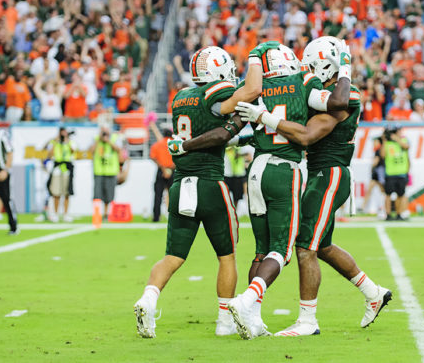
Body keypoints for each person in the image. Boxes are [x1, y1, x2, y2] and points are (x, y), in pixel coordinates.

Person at [169, 40, 354, 339]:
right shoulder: (303, 81)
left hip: (255, 170)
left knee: (260, 251)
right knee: (282, 250)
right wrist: (344, 67)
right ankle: (246, 301)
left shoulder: (255, 86)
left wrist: (193, 144)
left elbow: (233, 127)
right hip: (284, 170)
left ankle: (251, 317)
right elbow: (336, 103)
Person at [244, 36, 391, 337]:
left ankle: (308, 321)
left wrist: (266, 117)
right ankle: (373, 292)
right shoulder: (325, 92)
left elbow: (308, 135)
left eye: (310, 66)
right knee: (321, 246)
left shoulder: (345, 98)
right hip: (319, 175)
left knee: (304, 247)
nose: (305, 73)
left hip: (330, 174)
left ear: (325, 65)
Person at [133, 43, 267, 339]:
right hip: (210, 183)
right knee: (227, 256)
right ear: (217, 70)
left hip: (181, 184)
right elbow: (247, 94)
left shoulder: (181, 97)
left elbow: (206, 134)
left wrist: (236, 136)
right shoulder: (215, 93)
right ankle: (224, 322)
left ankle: (149, 298)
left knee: (173, 256)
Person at [380, 125, 410, 221]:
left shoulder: (404, 141)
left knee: (400, 195)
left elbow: (406, 146)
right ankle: (388, 214)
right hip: (390, 173)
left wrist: (396, 139)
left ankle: (399, 214)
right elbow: (382, 155)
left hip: (402, 173)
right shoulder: (387, 144)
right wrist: (384, 141)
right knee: (388, 194)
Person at [89, 127, 121, 217]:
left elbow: (119, 150)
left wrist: (108, 141)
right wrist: (99, 139)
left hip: (111, 171)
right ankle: (96, 213)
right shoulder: (96, 139)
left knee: (109, 195)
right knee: (97, 195)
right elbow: (90, 151)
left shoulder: (114, 138)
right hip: (99, 171)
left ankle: (106, 214)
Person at [46, 127, 76, 222]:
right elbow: (49, 154)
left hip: (67, 168)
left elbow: (73, 151)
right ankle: (55, 213)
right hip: (57, 168)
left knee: (67, 192)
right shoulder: (55, 142)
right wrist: (56, 142)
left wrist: (67, 141)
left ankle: (66, 214)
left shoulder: (70, 142)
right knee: (56, 192)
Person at [149, 126, 175, 222]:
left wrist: (163, 169)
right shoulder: (174, 144)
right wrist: (171, 167)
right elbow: (179, 158)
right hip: (172, 171)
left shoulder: (157, 144)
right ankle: (175, 217)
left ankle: (156, 217)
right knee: (174, 195)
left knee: (158, 195)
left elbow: (153, 157)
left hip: (161, 171)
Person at [361, 137, 385, 217]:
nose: (374, 143)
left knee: (380, 191)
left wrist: (372, 167)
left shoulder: (378, 151)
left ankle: (365, 207)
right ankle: (364, 207)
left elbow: (376, 162)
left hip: (378, 173)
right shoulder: (379, 150)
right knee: (375, 190)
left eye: (375, 141)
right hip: (377, 173)